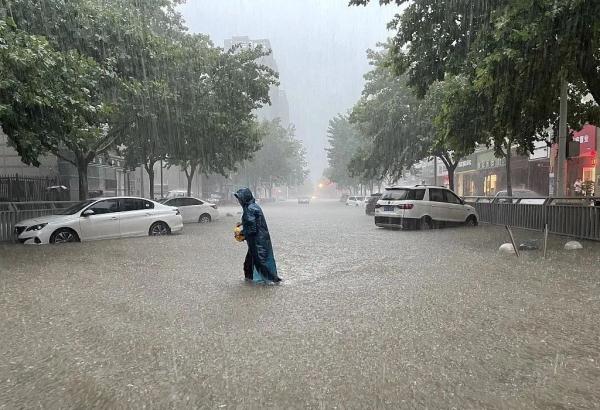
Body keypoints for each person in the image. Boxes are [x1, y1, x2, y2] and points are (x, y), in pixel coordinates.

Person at [234, 188, 281, 284]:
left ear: (244, 198)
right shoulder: (253, 206)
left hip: (257, 243)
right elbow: (253, 222)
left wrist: (241, 233)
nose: (238, 201)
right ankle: (250, 283)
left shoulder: (249, 209)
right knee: (249, 264)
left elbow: (252, 229)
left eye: (239, 198)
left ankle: (273, 282)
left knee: (261, 264)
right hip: (260, 240)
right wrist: (242, 223)